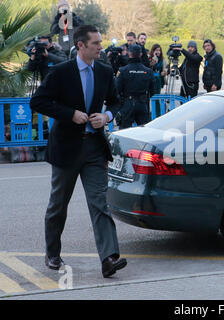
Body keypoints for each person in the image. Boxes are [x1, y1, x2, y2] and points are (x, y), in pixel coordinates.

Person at [30, 25, 127, 278]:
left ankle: (109, 258)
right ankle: (52, 253)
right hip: (66, 149)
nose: (100, 46)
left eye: (100, 42)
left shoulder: (105, 71)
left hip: (95, 148)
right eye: (95, 43)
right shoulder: (62, 72)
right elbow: (38, 101)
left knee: (100, 204)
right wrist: (70, 114)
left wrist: (105, 116)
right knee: (58, 205)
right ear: (81, 46)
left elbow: (116, 101)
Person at [116, 44, 155, 129]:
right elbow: (153, 91)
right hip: (142, 104)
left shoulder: (123, 70)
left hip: (127, 104)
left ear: (129, 54)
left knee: (124, 133)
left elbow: (117, 90)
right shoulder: (148, 71)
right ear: (141, 54)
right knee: (144, 132)